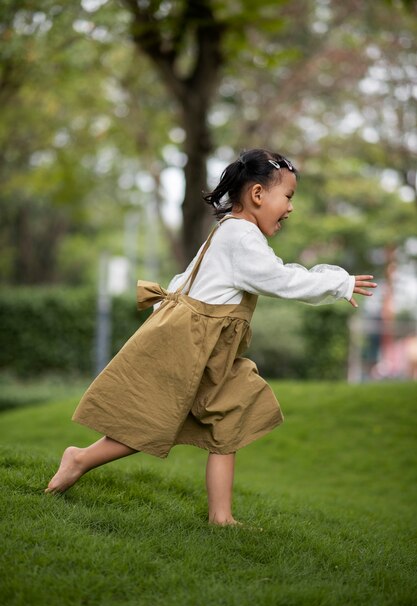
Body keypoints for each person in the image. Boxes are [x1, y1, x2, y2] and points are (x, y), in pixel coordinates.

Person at [45, 148, 376, 525]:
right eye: (288, 197)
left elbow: (187, 280)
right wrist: (339, 282)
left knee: (230, 416)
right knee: (153, 420)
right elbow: (281, 280)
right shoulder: (241, 238)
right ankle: (80, 458)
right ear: (257, 195)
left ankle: (221, 517)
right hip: (191, 346)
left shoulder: (231, 232)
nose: (291, 207)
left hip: (210, 350)